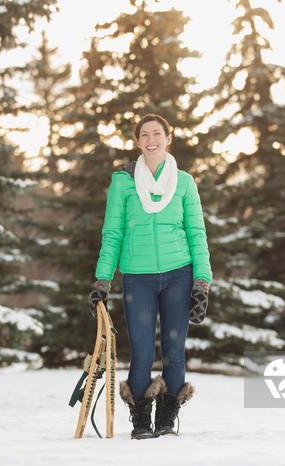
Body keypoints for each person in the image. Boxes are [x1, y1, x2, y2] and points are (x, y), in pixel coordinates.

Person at [88, 114, 212, 439]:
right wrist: (103, 280)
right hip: (138, 277)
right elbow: (112, 234)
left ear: (168, 139)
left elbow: (197, 232)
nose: (151, 139)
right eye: (145, 134)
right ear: (138, 141)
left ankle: (167, 422)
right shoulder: (123, 182)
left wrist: (202, 281)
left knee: (174, 351)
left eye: (157, 133)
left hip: (179, 274)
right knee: (142, 354)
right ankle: (141, 422)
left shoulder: (184, 182)